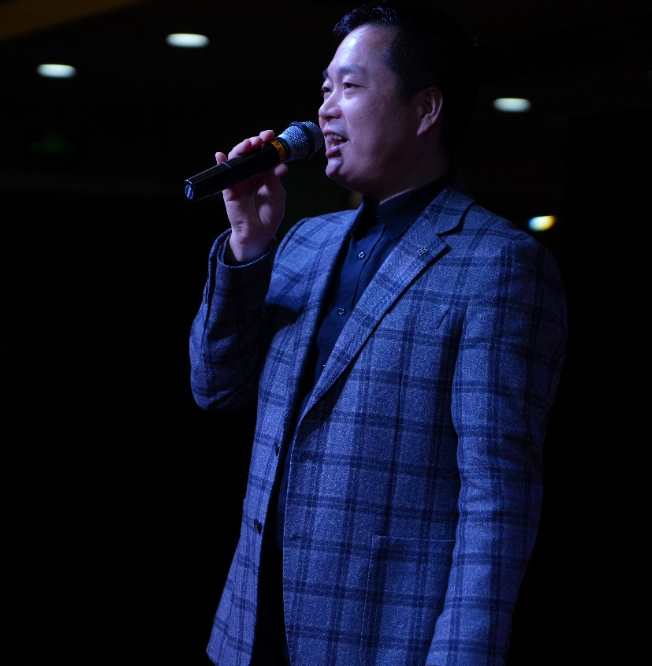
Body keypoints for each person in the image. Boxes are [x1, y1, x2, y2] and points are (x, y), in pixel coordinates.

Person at [189, 1, 568, 664]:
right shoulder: (303, 242)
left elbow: (497, 502)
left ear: (425, 110)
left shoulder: (498, 263)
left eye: (351, 87)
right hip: (250, 632)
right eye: (324, 90)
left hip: (381, 639)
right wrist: (248, 246)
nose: (325, 111)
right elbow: (215, 389)